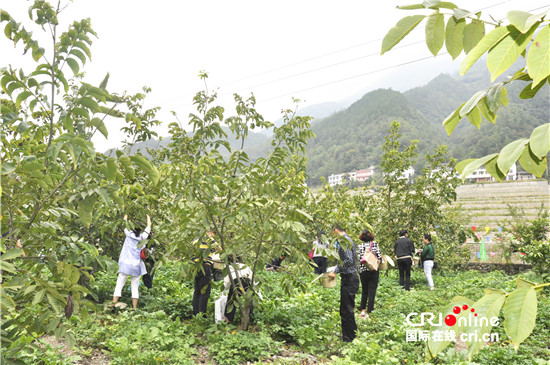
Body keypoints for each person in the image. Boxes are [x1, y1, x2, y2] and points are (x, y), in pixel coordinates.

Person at [112, 214, 151, 310]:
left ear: (132, 229)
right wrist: (147, 215)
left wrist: (127, 214)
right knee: (135, 287)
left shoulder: (128, 234)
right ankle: (134, 308)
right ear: (140, 230)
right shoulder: (143, 237)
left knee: (119, 285)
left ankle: (113, 306)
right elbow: (149, 226)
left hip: (125, 265)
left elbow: (124, 222)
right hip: (136, 266)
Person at [328, 223, 359, 342]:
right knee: (345, 309)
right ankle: (349, 336)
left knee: (347, 310)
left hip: (349, 279)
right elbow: (346, 260)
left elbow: (348, 260)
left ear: (335, 230)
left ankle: (350, 338)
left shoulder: (344, 241)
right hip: (349, 278)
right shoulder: (346, 240)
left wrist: (336, 271)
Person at [192, 230, 221, 317]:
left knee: (197, 291)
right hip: (205, 266)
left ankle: (196, 314)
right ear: (211, 232)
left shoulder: (196, 240)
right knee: (204, 291)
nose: (214, 236)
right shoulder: (209, 239)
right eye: (214, 234)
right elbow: (220, 250)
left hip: (196, 267)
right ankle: (202, 315)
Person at [222, 259, 261, 323]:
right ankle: (251, 317)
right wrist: (258, 292)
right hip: (248, 282)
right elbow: (252, 278)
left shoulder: (228, 267)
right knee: (249, 300)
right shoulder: (245, 266)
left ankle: (228, 320)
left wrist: (223, 292)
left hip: (236, 282)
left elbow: (226, 282)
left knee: (231, 301)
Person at [356, 229, 382, 318]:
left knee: (364, 290)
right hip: (373, 270)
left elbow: (360, 258)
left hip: (363, 270)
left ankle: (363, 309)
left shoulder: (359, 246)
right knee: (372, 290)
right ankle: (370, 310)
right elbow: (379, 257)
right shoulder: (374, 244)